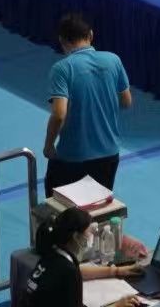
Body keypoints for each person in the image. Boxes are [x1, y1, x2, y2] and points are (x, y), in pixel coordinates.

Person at [44, 13, 131, 196]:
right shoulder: (113, 60)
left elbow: (59, 114)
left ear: (62, 40)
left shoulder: (62, 69)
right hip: (109, 154)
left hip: (72, 157)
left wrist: (49, 145)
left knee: (60, 209)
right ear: (91, 35)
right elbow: (126, 101)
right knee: (97, 208)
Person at [25, 207, 141, 307]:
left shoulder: (52, 254)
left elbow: (78, 270)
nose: (91, 236)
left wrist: (116, 271)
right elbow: (72, 272)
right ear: (76, 236)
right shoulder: (68, 271)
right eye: (88, 232)